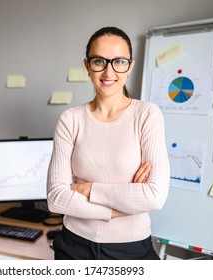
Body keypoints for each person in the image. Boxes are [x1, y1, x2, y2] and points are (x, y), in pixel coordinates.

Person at [47, 26, 170, 260]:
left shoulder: (147, 115)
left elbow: (154, 196)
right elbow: (56, 198)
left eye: (119, 62)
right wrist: (122, 205)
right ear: (87, 66)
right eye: (99, 61)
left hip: (131, 250)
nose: (108, 71)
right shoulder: (70, 119)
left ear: (130, 66)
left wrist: (90, 189)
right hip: (73, 246)